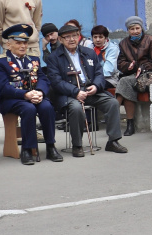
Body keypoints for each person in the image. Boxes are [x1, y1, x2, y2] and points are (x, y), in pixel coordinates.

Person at [46, 22, 127, 155]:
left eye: (75, 35)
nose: (72, 39)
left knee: (112, 103)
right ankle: (77, 145)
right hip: (69, 94)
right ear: (60, 39)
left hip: (89, 90)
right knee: (76, 108)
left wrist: (96, 86)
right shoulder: (54, 57)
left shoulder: (88, 52)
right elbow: (56, 81)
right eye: (67, 37)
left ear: (79, 36)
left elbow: (99, 73)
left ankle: (113, 141)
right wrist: (76, 92)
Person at [0, 23, 61, 165]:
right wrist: (25, 95)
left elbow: (42, 78)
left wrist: (40, 92)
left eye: (25, 42)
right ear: (9, 45)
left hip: (34, 96)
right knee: (28, 109)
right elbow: (3, 87)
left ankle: (50, 146)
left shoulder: (33, 59)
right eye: (18, 43)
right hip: (12, 99)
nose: (23, 46)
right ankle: (27, 149)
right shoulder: (0, 62)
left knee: (47, 107)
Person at [115, 16, 152, 135]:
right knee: (126, 85)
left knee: (124, 82)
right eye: (132, 29)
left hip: (149, 75)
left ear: (141, 28)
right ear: (128, 30)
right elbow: (120, 63)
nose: (135, 31)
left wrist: (142, 67)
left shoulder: (151, 40)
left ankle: (115, 118)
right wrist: (129, 66)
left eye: (137, 28)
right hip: (131, 75)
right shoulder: (123, 43)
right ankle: (128, 123)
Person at [90, 25, 118, 91]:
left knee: (91, 87)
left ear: (106, 38)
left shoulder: (112, 48)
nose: (97, 40)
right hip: (91, 78)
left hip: (109, 79)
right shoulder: (89, 47)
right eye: (95, 37)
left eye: (100, 37)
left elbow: (109, 70)